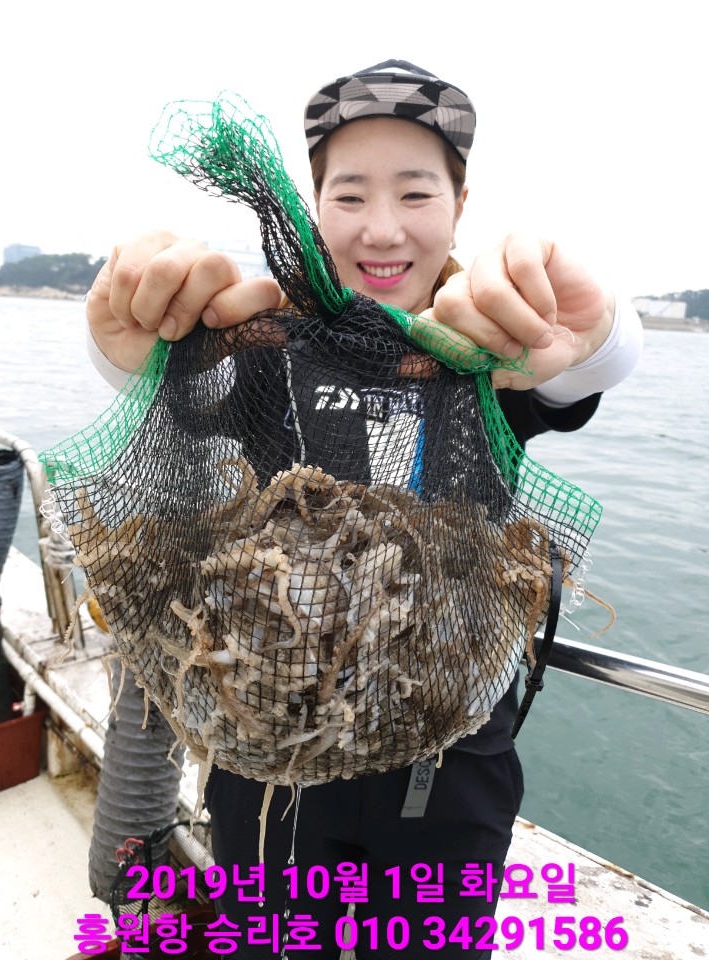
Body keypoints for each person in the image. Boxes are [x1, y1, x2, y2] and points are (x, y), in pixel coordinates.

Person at [86, 60, 642, 958]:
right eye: (350, 196)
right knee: (272, 939)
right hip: (269, 765)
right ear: (315, 209)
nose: (382, 228)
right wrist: (133, 340)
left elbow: (582, 369)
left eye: (416, 193)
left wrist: (595, 324)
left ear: (460, 206)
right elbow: (177, 395)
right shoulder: (267, 348)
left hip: (449, 769)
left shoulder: (487, 351)